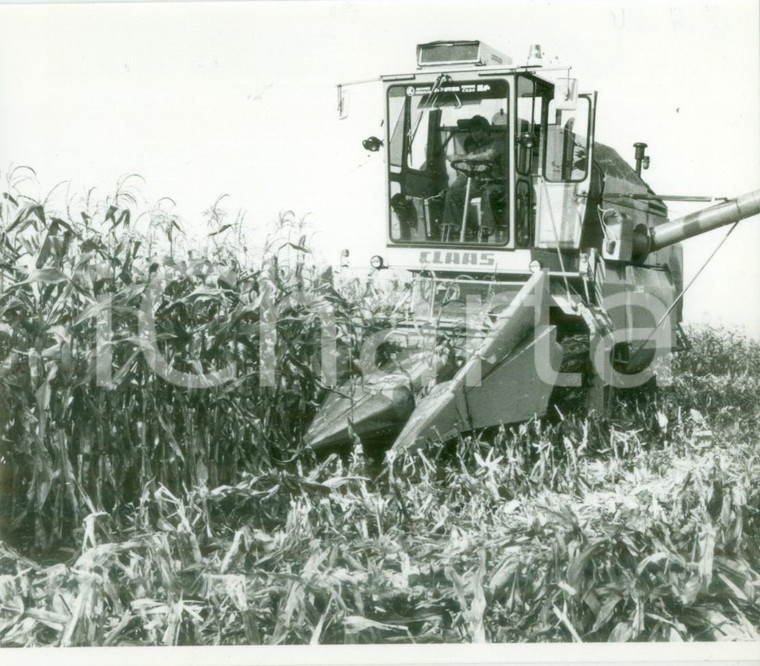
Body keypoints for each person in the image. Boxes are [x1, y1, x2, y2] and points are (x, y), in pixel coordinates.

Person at [442, 115, 507, 240]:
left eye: (478, 130)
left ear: (486, 130)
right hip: (477, 185)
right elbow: (465, 174)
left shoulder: (497, 144)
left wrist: (462, 157)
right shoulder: (473, 151)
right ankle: (455, 230)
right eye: (472, 131)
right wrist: (451, 189)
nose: (474, 134)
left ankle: (487, 230)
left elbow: (489, 156)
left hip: (497, 184)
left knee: (487, 194)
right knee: (453, 195)